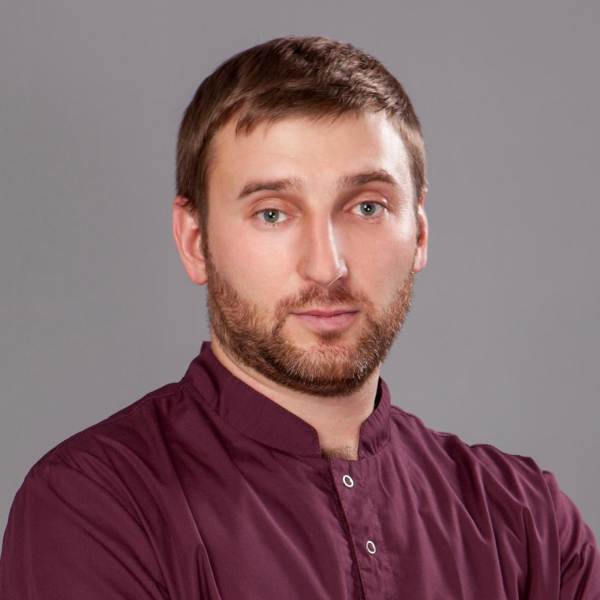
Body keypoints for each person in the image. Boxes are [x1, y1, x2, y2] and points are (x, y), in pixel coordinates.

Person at [1, 35, 598, 599]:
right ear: (194, 241)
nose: (326, 267)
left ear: (418, 233)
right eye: (272, 213)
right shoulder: (94, 505)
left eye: (367, 207)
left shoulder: (529, 522)